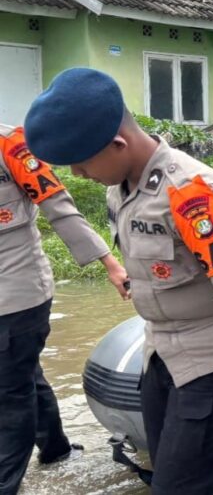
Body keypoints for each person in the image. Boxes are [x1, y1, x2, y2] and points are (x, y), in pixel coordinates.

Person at [24, 68, 213, 495]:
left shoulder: (192, 194)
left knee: (174, 488)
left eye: (81, 164)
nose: (79, 175)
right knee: (188, 477)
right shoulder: (122, 187)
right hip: (161, 357)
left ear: (118, 144)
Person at [0, 123, 129, 495]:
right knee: (21, 373)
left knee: (10, 397)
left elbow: (58, 206)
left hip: (16, 296)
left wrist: (110, 263)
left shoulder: (11, 146)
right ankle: (55, 449)